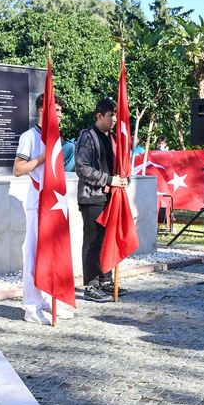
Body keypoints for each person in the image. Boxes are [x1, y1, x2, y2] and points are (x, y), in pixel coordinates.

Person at [13, 93, 76, 324]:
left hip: (55, 202)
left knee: (54, 252)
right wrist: (42, 157)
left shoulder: (56, 138)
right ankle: (31, 306)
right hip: (38, 201)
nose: (60, 115)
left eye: (60, 111)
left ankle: (51, 298)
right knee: (33, 254)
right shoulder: (29, 136)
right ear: (43, 111)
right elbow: (18, 169)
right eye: (56, 110)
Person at [75, 97, 128, 303]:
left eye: (115, 114)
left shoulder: (114, 138)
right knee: (92, 242)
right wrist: (109, 179)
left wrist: (122, 178)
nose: (114, 119)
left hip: (111, 196)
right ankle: (91, 284)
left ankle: (106, 280)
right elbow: (82, 167)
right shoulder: (88, 136)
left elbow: (119, 165)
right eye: (110, 115)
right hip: (92, 197)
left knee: (108, 241)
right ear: (99, 115)